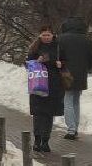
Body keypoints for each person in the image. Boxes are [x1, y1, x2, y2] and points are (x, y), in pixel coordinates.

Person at [25, 24, 64, 153]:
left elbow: (66, 62)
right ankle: (37, 140)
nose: (46, 37)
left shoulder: (59, 46)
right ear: (40, 35)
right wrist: (37, 60)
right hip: (38, 83)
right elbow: (28, 63)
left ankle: (46, 141)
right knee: (38, 113)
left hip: (53, 84)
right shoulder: (35, 47)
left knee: (49, 114)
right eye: (44, 35)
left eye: (48, 34)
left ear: (52, 35)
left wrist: (60, 64)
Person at [57, 17, 92, 141]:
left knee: (67, 100)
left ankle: (71, 129)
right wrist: (85, 68)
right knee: (76, 101)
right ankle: (75, 128)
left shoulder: (61, 39)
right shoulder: (87, 40)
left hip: (66, 72)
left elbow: (58, 55)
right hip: (81, 73)